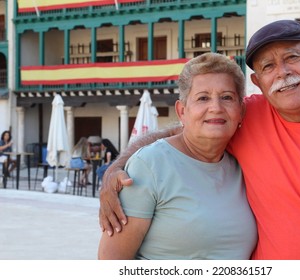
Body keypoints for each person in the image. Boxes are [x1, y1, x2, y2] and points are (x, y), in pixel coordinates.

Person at [99, 20, 300, 260]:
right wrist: (117, 168)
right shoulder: (244, 114)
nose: (283, 72)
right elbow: (182, 130)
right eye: (268, 66)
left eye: (292, 57)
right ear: (258, 82)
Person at [98, 53, 257, 259]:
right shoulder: (149, 165)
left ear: (241, 110)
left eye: (227, 97)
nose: (216, 108)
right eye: (203, 98)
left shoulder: (239, 165)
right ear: (182, 111)